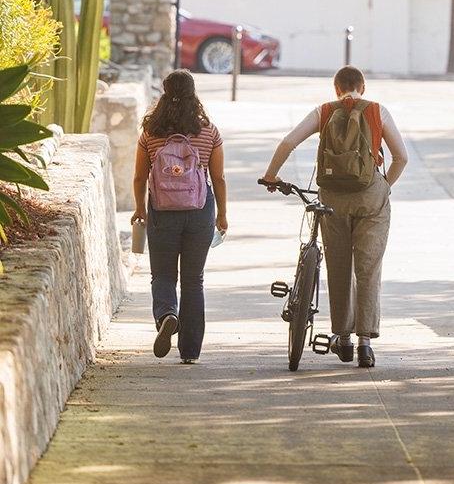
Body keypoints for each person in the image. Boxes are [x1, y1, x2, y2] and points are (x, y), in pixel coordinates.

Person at [260, 66, 408, 368]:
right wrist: (382, 187)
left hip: (332, 199)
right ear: (362, 87)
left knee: (339, 266)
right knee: (368, 267)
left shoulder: (324, 111)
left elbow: (288, 142)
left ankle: (343, 338)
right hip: (371, 199)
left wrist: (271, 175)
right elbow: (400, 157)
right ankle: (365, 344)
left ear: (335, 87)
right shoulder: (378, 111)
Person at [132, 69, 227, 363]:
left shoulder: (151, 131)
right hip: (199, 211)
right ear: (193, 92)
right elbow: (218, 177)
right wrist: (222, 213)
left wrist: (139, 208)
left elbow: (139, 177)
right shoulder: (208, 130)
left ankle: (166, 315)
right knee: (193, 280)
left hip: (162, 211)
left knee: (162, 274)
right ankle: (190, 352)